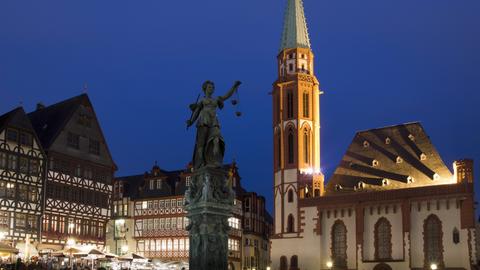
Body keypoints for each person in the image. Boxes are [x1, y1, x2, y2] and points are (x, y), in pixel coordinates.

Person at [186, 80, 241, 169]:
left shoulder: (216, 99)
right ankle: (200, 163)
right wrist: (191, 121)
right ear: (205, 89)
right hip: (203, 120)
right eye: (210, 87)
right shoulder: (202, 100)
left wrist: (234, 87)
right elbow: (196, 112)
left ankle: (215, 160)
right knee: (201, 143)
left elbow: (226, 96)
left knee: (217, 139)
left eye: (213, 87)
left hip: (214, 121)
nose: (212, 89)